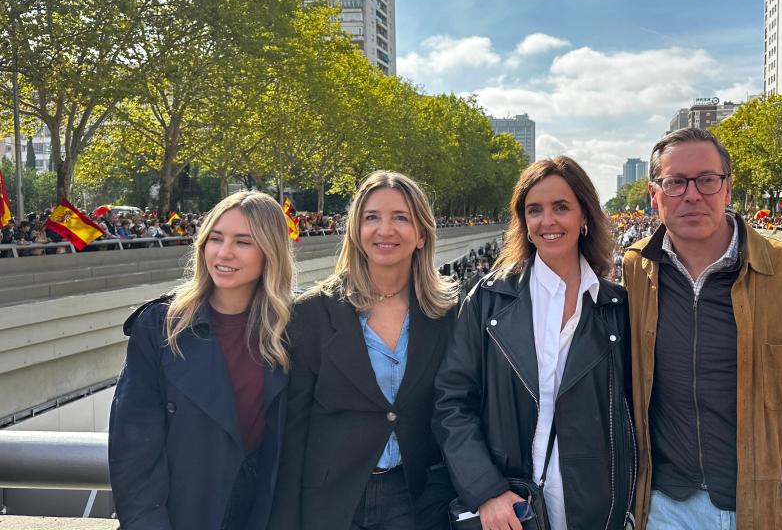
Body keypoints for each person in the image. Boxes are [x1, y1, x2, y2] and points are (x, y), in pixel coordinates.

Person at [622, 127, 782, 530]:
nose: (692, 194)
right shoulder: (636, 271)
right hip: (666, 509)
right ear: (655, 196)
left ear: (727, 189)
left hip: (773, 511)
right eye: (675, 182)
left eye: (706, 180)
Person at [434, 156, 637, 530]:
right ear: (524, 224)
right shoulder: (488, 300)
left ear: (585, 216)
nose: (548, 221)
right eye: (534, 210)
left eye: (561, 207)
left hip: (595, 511)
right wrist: (486, 490)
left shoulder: (618, 308)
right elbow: (451, 402)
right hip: (511, 511)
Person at [269, 171, 459, 530]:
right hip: (330, 501)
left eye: (400, 218)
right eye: (371, 217)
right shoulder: (311, 313)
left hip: (415, 500)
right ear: (356, 231)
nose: (384, 230)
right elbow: (292, 430)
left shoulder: (447, 314)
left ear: (421, 235)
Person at [108, 190, 296, 530]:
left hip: (265, 514)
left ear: (270, 251)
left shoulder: (294, 327)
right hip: (184, 514)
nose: (224, 253)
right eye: (215, 238)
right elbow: (133, 447)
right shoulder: (161, 325)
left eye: (243, 242)